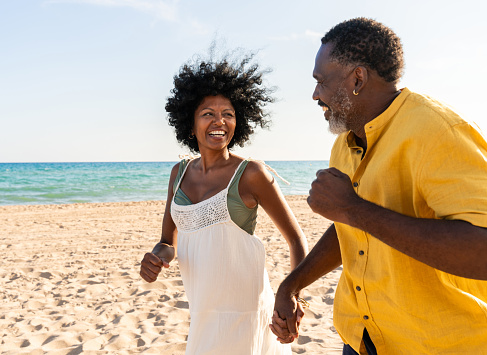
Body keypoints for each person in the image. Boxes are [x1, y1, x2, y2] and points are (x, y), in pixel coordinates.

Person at [270, 17, 487, 354]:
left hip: (435, 344)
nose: (315, 95)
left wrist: (352, 208)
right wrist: (292, 284)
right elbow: (350, 230)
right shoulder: (344, 143)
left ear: (357, 79)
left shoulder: (439, 131)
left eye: (321, 82)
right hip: (360, 338)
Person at [139, 50, 309, 355]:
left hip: (246, 315)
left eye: (228, 114)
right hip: (202, 315)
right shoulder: (178, 173)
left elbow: (296, 239)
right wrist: (156, 257)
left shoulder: (252, 174)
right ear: (190, 125)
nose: (219, 121)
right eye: (208, 114)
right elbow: (168, 241)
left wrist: (294, 295)